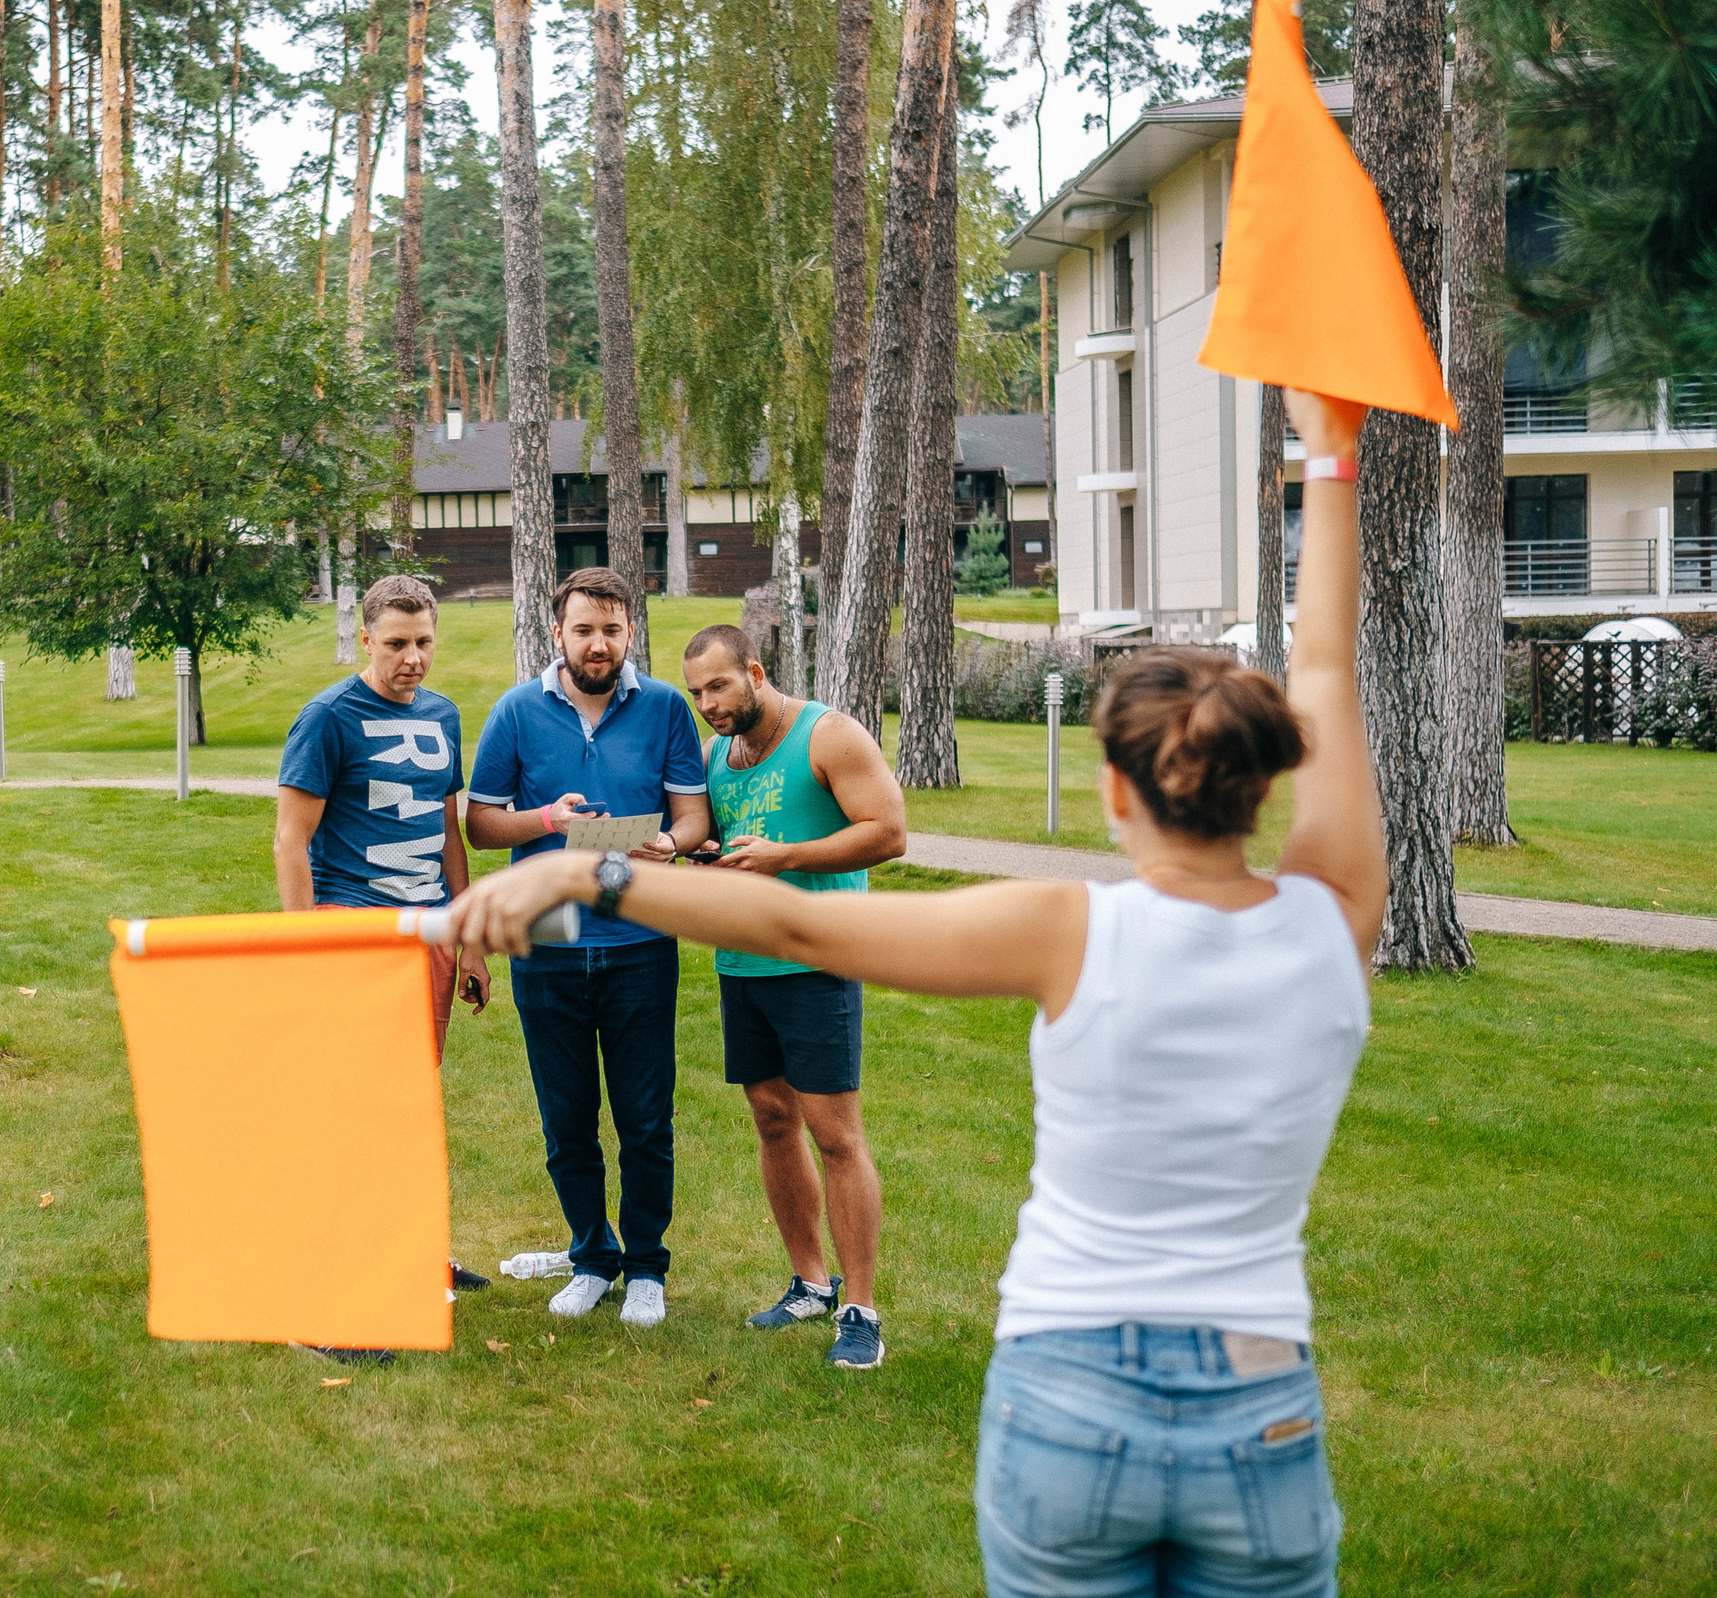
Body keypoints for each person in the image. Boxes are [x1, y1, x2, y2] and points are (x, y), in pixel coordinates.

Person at [448, 389, 1383, 1595]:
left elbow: (789, 919)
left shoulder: (1066, 929)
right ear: (1269, 783)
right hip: (1259, 1399)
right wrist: (1334, 457)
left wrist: (592, 875)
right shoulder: (1331, 924)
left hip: (1070, 1386)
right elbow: (1326, 669)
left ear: (1111, 796)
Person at [466, 567, 711, 1329]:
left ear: (630, 632)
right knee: (566, 1118)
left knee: (645, 1117)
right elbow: (479, 823)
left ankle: (645, 1266)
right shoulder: (516, 710)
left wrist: (668, 842)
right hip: (549, 939)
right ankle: (591, 1257)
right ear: (557, 633)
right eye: (583, 629)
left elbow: (694, 817)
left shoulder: (667, 707)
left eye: (611, 629)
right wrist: (543, 819)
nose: (597, 643)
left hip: (640, 933)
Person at [678, 624, 910, 1370]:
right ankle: (810, 1282)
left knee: (836, 1134)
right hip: (743, 966)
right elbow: (728, 850)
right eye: (697, 694)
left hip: (819, 961)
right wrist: (681, 853)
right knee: (774, 1122)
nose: (708, 704)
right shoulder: (718, 757)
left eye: (718, 686)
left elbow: (889, 830)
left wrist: (788, 857)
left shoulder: (828, 734)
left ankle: (860, 1309)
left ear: (754, 670)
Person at [274, 574, 494, 1358]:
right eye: (396, 643)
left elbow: (445, 832)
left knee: (405, 1103)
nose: (412, 658)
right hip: (350, 928)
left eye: (424, 641)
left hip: (427, 932)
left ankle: (411, 1254)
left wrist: (465, 933)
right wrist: (304, 947)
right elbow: (290, 841)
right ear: (366, 638)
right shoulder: (329, 717)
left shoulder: (442, 715)